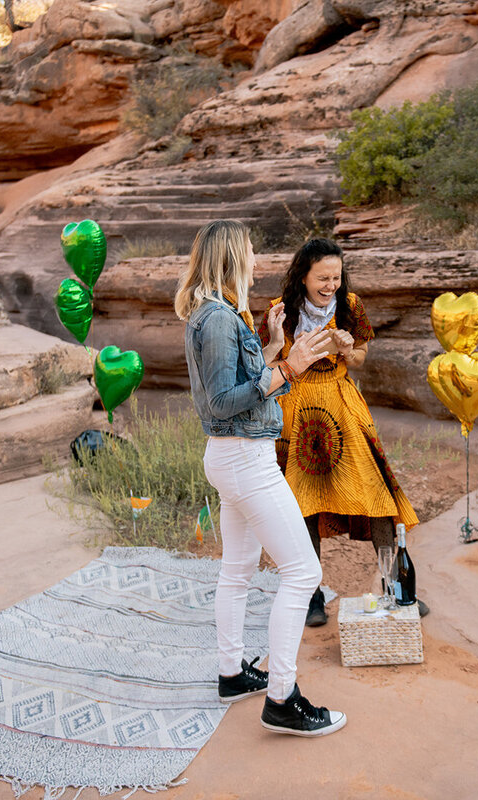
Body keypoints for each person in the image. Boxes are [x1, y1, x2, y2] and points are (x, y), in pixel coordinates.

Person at [176, 219, 347, 737]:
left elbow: (237, 385)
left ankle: (232, 674)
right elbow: (226, 403)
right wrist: (292, 367)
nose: (256, 258)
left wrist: (273, 345)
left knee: (239, 567)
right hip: (245, 459)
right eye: (250, 250)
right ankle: (282, 699)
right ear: (233, 257)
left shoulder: (219, 314)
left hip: (231, 457)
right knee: (303, 574)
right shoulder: (220, 319)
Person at [257, 238, 422, 627]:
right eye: (322, 278)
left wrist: (347, 350)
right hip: (297, 409)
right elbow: (266, 360)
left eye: (336, 276)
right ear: (303, 276)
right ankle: (311, 596)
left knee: (376, 493)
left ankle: (396, 587)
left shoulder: (350, 306)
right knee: (304, 505)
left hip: (344, 408)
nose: (331, 284)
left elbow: (361, 357)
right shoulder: (280, 312)